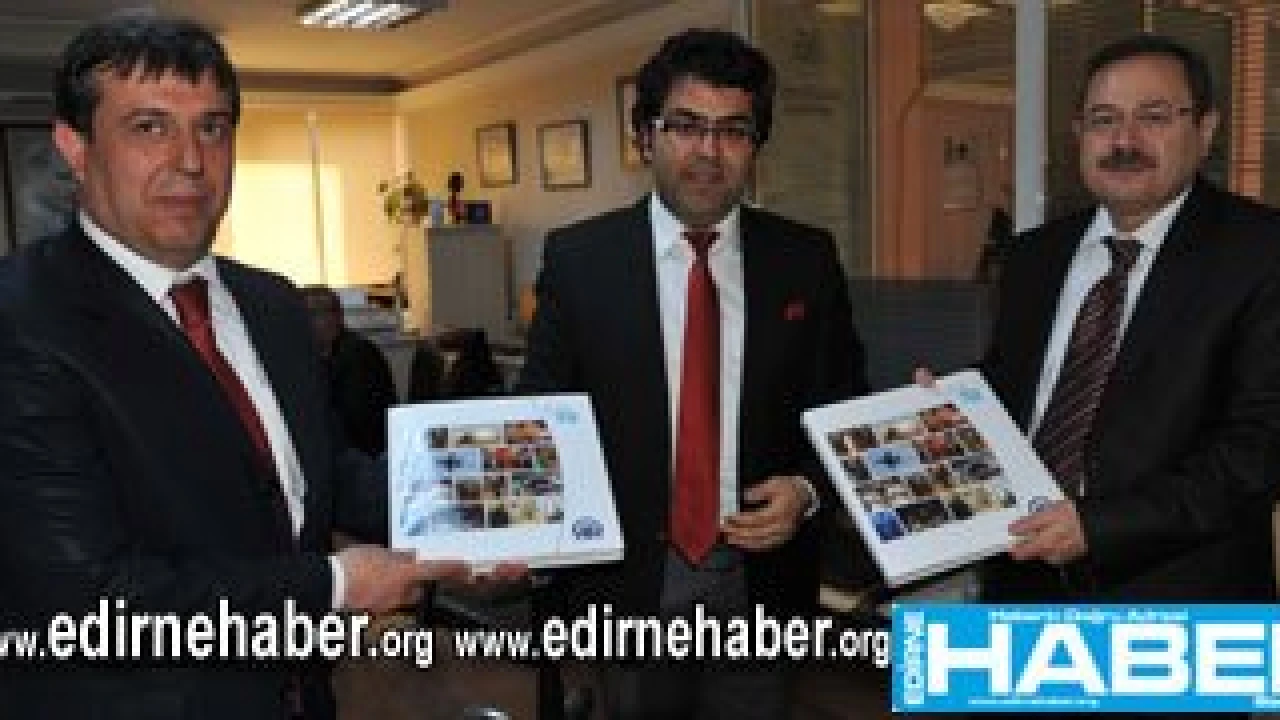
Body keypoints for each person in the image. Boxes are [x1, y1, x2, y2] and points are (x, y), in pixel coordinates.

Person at [0, 12, 496, 719]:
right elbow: (89, 603)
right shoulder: (22, 320)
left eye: (212, 127)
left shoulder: (272, 303)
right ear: (74, 148)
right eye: (149, 127)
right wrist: (335, 586)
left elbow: (323, 473)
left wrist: (478, 519)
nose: (191, 161)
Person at [518, 28, 868, 719]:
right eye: (685, 126)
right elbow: (541, 410)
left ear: (756, 148)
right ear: (646, 136)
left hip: (761, 584)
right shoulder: (580, 260)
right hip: (628, 584)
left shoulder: (806, 259)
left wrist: (807, 489)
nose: (709, 151)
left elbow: (841, 401)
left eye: (734, 130)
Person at [964, 35, 1280, 716]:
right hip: (1021, 589)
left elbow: (1258, 451)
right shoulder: (1033, 257)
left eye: (1154, 116)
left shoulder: (1262, 253)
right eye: (1104, 120)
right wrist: (951, 407)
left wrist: (1099, 526)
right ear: (1078, 134)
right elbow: (1012, 391)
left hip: (1179, 607)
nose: (1124, 141)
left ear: (1206, 130)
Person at [301, 285, 398, 456]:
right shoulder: (321, 353)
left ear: (335, 317)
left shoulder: (357, 356)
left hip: (363, 454)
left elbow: (353, 423)